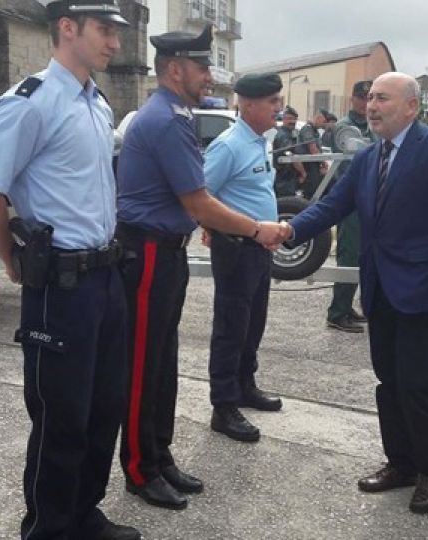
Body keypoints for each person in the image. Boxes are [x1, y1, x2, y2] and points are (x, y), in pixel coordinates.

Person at [0, 2, 140, 539]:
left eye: (116, 33)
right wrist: (11, 260)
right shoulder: (30, 102)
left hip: (105, 276)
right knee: (60, 417)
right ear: (68, 28)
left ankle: (83, 513)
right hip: (60, 282)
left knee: (104, 407)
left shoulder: (96, 103)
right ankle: (47, 528)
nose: (114, 43)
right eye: (105, 31)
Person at [278, 72, 428, 514]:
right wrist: (290, 229)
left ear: (411, 106)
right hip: (381, 289)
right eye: (369, 98)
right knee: (388, 382)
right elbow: (333, 206)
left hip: (425, 292)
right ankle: (400, 464)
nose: (372, 106)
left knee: (416, 385)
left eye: (382, 98)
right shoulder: (367, 158)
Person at [116, 24, 283, 512]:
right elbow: (201, 203)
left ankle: (159, 455)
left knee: (163, 362)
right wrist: (256, 229)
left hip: (166, 251)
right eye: (202, 66)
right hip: (147, 252)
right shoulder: (165, 120)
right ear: (174, 68)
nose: (210, 75)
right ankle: (139, 468)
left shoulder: (176, 115)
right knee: (144, 367)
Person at [203, 73, 285, 444]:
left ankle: (244, 385)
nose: (278, 108)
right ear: (248, 105)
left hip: (258, 249)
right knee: (231, 327)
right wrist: (214, 227)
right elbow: (201, 196)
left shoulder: (258, 142)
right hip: (236, 248)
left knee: (253, 322)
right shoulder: (229, 145)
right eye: (272, 102)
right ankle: (223, 405)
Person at [326, 80, 375, 333]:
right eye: (364, 97)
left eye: (372, 97)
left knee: (361, 256)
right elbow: (348, 167)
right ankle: (337, 312)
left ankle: (347, 307)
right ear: (354, 99)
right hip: (352, 200)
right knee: (349, 254)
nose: (368, 102)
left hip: (369, 198)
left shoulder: (371, 125)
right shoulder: (344, 128)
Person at [296, 109, 329, 199]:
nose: (324, 125)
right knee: (311, 195)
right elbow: (313, 149)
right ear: (318, 117)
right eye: (324, 121)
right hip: (308, 167)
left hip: (313, 165)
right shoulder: (308, 129)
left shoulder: (315, 131)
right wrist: (323, 162)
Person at [272, 106, 304, 197]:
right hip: (283, 179)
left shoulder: (291, 133)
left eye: (294, 119)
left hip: (289, 178)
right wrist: (303, 173)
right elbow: (291, 156)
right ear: (284, 119)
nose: (292, 122)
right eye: (289, 119)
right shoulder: (283, 135)